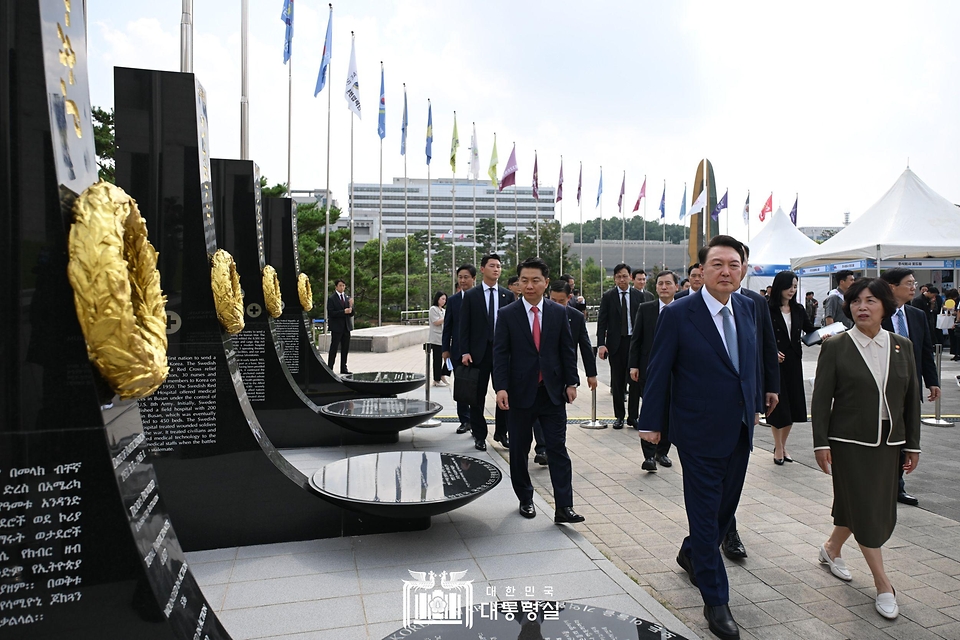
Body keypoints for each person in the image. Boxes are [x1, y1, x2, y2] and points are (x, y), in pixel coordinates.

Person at [639, 235, 770, 640]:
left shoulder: (748, 308)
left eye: (734, 264)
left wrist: (762, 397)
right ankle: (716, 600)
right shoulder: (679, 313)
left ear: (743, 269)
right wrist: (651, 423)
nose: (726, 271)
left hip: (740, 429)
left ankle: (691, 552)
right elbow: (659, 369)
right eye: (718, 264)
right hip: (696, 431)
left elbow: (752, 360)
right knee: (705, 510)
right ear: (702, 270)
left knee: (723, 511)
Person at [812, 278, 920, 621]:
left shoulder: (902, 345)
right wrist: (820, 442)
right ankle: (883, 584)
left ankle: (831, 549)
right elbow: (820, 400)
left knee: (862, 506)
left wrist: (913, 445)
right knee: (866, 509)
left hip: (890, 443)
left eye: (871, 301)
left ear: (885, 306)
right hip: (848, 443)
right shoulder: (837, 346)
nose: (862, 307)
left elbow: (910, 402)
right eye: (856, 301)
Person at [493, 257, 582, 524]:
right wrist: (501, 388)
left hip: (552, 392)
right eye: (524, 280)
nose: (529, 285)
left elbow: (567, 350)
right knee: (520, 450)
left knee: (558, 449)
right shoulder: (507, 314)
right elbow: (500, 354)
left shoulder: (558, 312)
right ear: (518, 283)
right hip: (519, 393)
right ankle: (526, 498)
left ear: (545, 282)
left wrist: (571, 382)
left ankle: (564, 507)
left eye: (535, 280)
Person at [879, 268, 940, 507]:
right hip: (883, 389)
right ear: (892, 287)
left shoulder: (916, 315)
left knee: (906, 438)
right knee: (885, 438)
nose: (914, 287)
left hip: (910, 388)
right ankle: (882, 484)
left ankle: (898, 486)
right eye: (909, 283)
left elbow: (925, 351)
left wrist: (932, 381)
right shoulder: (878, 315)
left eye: (915, 283)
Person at [460, 254, 515, 451]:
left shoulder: (507, 295)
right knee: (477, 396)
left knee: (504, 393)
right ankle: (480, 435)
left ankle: (502, 432)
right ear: (482, 269)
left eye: (499, 266)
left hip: (501, 354)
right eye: (492, 266)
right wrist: (465, 351)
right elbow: (464, 326)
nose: (496, 269)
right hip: (477, 354)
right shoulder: (472, 296)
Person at [629, 270, 679, 472]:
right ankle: (648, 455)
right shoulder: (646, 308)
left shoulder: (683, 309)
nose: (664, 287)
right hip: (648, 367)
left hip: (675, 370)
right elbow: (637, 339)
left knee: (669, 410)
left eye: (668, 283)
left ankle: (662, 451)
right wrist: (633, 365)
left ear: (676, 286)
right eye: (660, 284)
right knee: (649, 407)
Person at [766, 271, 818, 465]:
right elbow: (759, 335)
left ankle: (782, 444)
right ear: (780, 286)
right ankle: (778, 448)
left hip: (794, 362)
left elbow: (810, 330)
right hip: (775, 362)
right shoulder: (767, 308)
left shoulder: (798, 309)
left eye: (795, 287)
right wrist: (770, 352)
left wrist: (825, 335)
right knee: (778, 407)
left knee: (794, 406)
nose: (792, 290)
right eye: (789, 286)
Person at [547, 280, 599, 466]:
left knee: (556, 412)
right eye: (552, 299)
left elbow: (584, 345)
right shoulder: (541, 313)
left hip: (564, 373)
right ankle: (541, 448)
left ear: (569, 298)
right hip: (543, 372)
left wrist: (591, 374)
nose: (556, 304)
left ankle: (553, 445)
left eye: (561, 301)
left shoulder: (576, 317)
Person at [596, 263, 643, 429]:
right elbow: (602, 322)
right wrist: (601, 344)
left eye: (624, 276)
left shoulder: (639, 296)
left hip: (634, 342)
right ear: (614, 278)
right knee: (617, 382)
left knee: (635, 381)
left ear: (630, 277)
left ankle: (633, 416)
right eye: (618, 277)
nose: (621, 279)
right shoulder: (608, 296)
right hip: (616, 344)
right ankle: (619, 416)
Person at [442, 264, 476, 434]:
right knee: (461, 386)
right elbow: (447, 326)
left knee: (477, 388)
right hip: (457, 350)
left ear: (474, 279)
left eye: (466, 277)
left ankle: (477, 421)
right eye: (460, 277)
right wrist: (445, 348)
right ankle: (464, 420)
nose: (463, 280)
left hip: (477, 351)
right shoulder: (454, 300)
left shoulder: (479, 298)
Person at [327, 278, 353, 374]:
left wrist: (351, 306)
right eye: (340, 285)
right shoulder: (332, 298)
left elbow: (351, 313)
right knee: (334, 348)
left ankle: (344, 368)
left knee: (345, 348)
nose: (342, 287)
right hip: (337, 327)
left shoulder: (346, 297)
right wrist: (343, 312)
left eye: (343, 286)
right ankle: (330, 368)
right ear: (336, 287)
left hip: (346, 327)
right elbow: (331, 313)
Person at [428, 291, 449, 386]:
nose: (444, 301)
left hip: (444, 338)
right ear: (437, 299)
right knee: (437, 359)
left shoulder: (444, 311)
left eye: (445, 299)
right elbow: (436, 322)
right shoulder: (433, 309)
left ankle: (442, 373)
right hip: (436, 338)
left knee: (449, 357)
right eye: (442, 299)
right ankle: (436, 380)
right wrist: (447, 317)